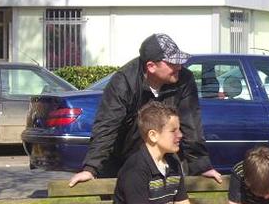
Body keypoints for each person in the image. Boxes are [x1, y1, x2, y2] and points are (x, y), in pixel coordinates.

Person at [69, 33, 221, 187]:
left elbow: (191, 123)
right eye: (172, 63)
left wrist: (202, 166)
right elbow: (106, 126)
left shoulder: (184, 80)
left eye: (179, 62)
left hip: (164, 161)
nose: (179, 67)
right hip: (122, 161)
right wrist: (91, 168)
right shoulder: (124, 82)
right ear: (151, 66)